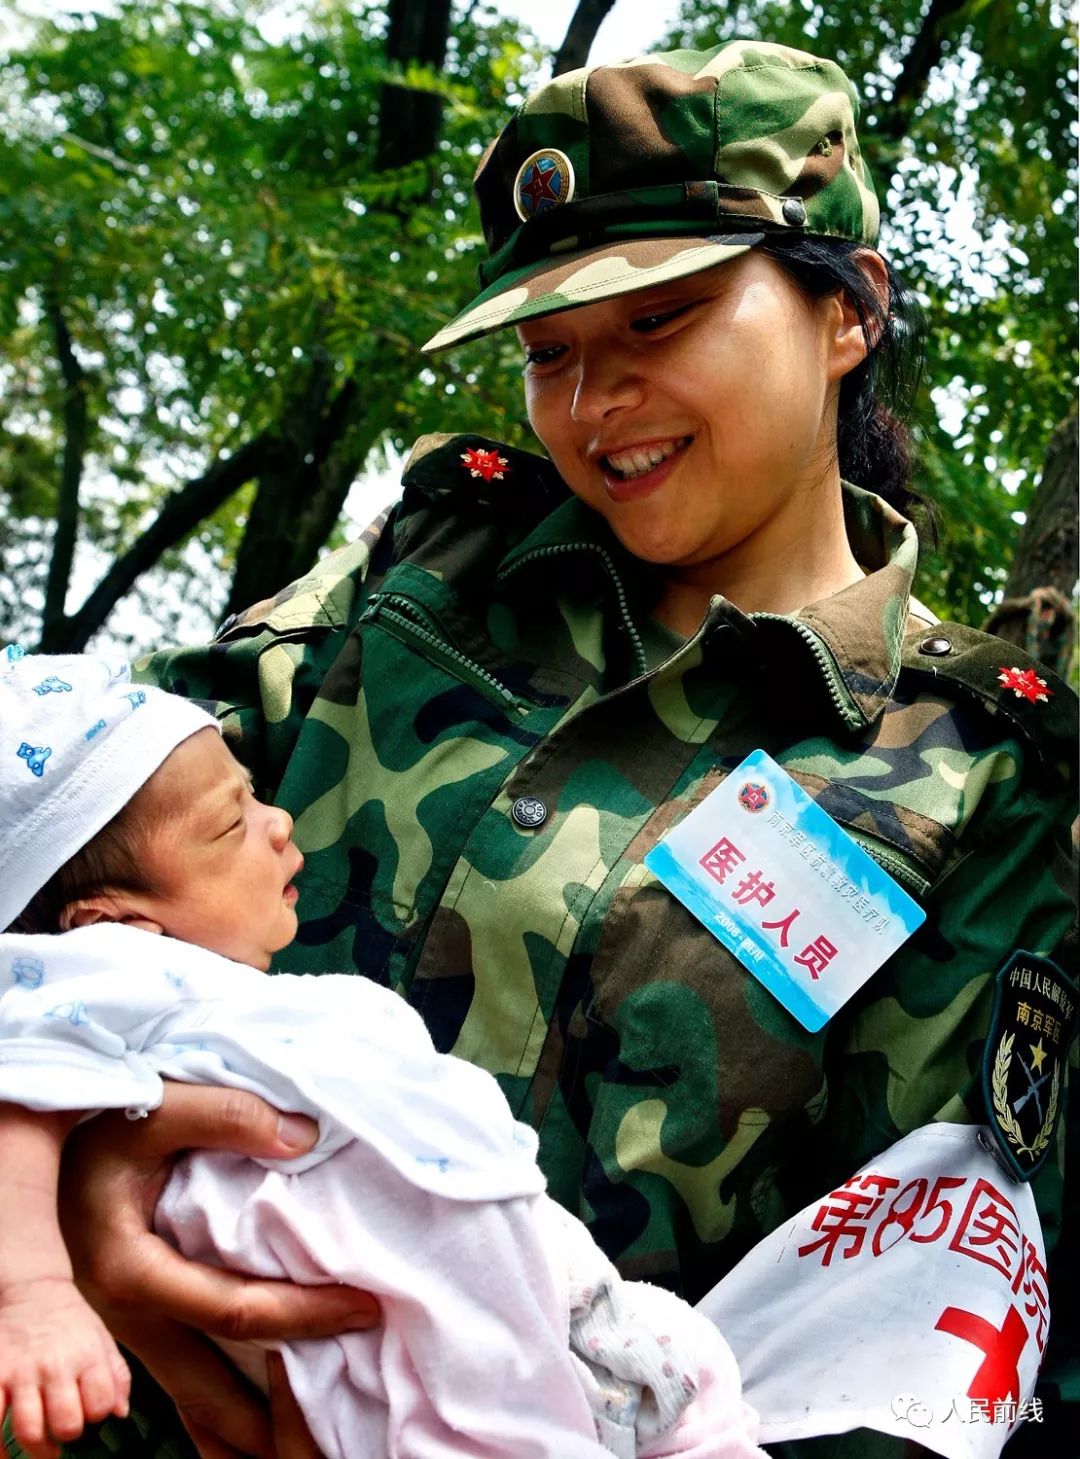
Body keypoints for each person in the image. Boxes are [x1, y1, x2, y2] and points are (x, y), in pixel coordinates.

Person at [56, 37, 1076, 1459]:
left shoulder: (978, 781)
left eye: (660, 320)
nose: (594, 403)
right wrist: (57, 1157)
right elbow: (56, 854)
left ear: (849, 313)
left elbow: (925, 1323)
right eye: (548, 352)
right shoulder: (412, 583)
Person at [0, 650, 765, 1459]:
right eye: (231, 825)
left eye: (256, 792)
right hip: (397, 1329)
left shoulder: (207, 992)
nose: (279, 819)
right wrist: (36, 1290)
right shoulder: (86, 977)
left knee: (689, 1396)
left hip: (522, 1282)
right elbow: (17, 1111)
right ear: (109, 928)